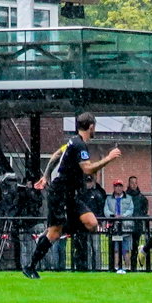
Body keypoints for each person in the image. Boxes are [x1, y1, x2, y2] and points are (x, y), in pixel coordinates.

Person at [23, 116, 112, 281]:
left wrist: (46, 176)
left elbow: (56, 155)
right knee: (54, 233)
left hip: (70, 194)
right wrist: (108, 158)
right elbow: (87, 169)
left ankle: (54, 232)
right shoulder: (78, 145)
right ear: (91, 127)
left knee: (92, 223)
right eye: (94, 127)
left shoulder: (72, 142)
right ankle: (30, 266)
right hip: (60, 193)